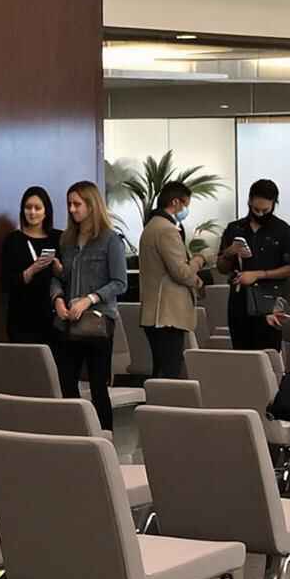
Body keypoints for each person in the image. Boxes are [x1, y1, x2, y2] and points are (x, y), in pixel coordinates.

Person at [51, 182, 126, 425]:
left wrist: (89, 299)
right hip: (69, 321)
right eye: (69, 204)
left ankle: (105, 439)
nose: (72, 209)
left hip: (98, 321)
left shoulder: (110, 240)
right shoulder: (67, 241)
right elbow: (58, 278)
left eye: (77, 204)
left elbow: (119, 282)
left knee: (97, 386)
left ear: (92, 206)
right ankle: (74, 436)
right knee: (67, 383)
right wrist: (58, 300)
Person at [217, 179, 290, 355]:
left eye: (265, 210)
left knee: (268, 358)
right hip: (239, 301)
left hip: (269, 302)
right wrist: (229, 252)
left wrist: (258, 274)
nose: (260, 214)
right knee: (241, 356)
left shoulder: (283, 230)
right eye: (256, 210)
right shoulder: (234, 228)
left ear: (274, 205)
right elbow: (221, 267)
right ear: (249, 202)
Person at [137, 181, 201, 381]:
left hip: (155, 312)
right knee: (169, 373)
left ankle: (155, 409)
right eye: (186, 204)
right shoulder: (167, 230)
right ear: (176, 202)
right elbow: (181, 272)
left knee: (160, 372)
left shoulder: (151, 226)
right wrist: (200, 260)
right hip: (167, 314)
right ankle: (164, 410)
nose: (186, 210)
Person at [0, 187, 62, 349]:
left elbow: (69, 277)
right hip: (21, 317)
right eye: (28, 207)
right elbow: (5, 284)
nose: (32, 212)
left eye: (37, 208)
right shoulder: (13, 240)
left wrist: (59, 269)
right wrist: (32, 270)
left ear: (46, 211)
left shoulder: (58, 238)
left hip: (53, 316)